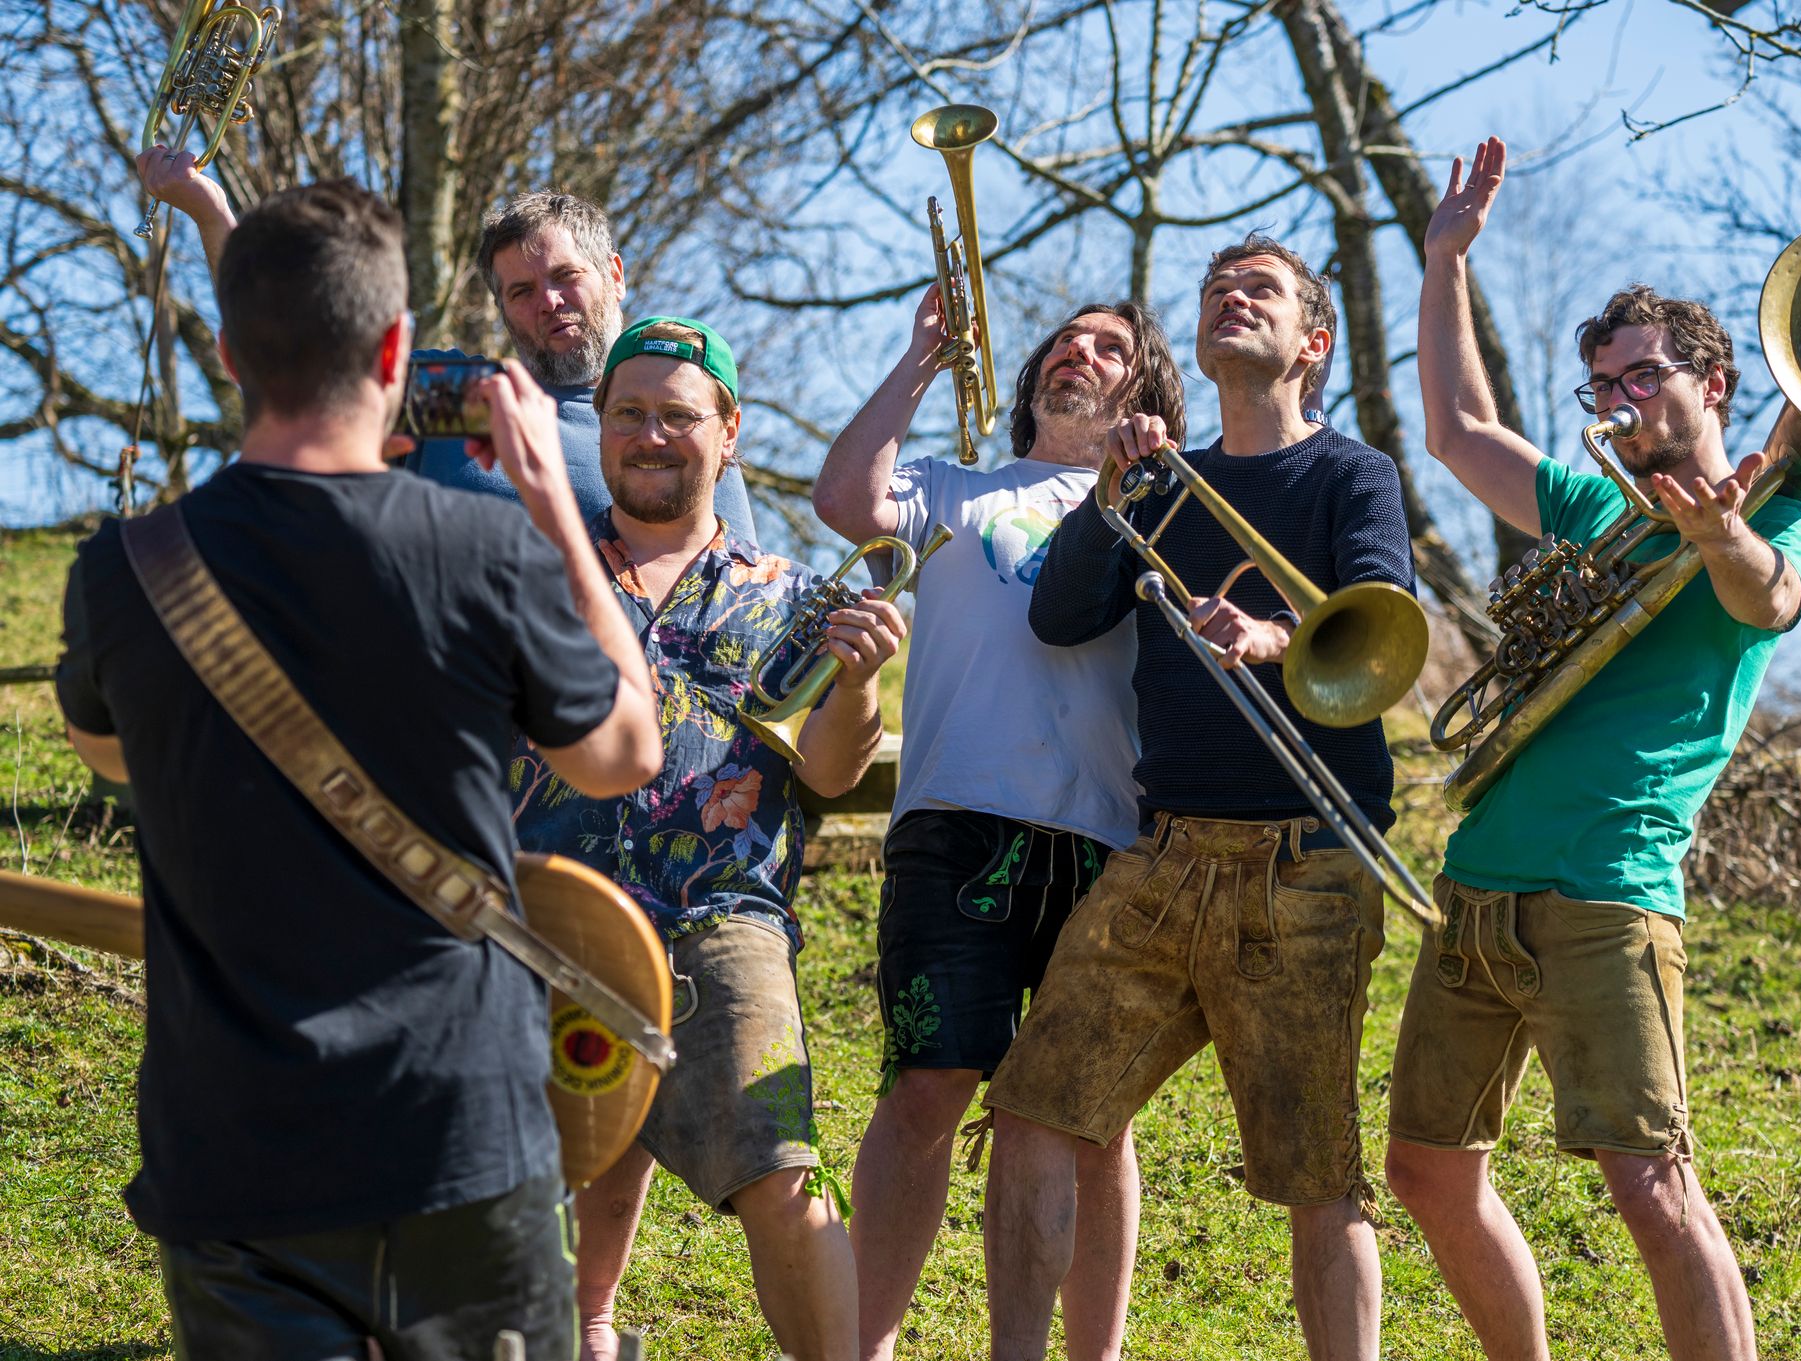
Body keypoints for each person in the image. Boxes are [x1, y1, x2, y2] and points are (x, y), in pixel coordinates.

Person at [55, 180, 663, 1360]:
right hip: (460, 1135)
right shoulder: (486, 548)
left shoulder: (128, 570)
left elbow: (103, 752)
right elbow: (622, 755)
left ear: (230, 351)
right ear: (395, 351)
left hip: (236, 1147)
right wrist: (547, 510)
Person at [1385, 136, 1801, 1361]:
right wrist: (1443, 262)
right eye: (1603, 390)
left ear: (1712, 380)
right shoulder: (1591, 515)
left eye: (1640, 377)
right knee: (1423, 1168)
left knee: (1651, 1187)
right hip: (1476, 883)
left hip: (1606, 894)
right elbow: (1460, 427)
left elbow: (1764, 598)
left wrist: (1722, 533)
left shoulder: (1773, 516)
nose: (1619, 404)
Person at [986, 235, 1416, 1361]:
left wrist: (1277, 634)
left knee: (1314, 1169)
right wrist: (1116, 489)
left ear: (1311, 344)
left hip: (1306, 861)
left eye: (1259, 290)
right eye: (1217, 288)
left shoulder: (1349, 472)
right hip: (1162, 851)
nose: (1230, 297)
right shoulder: (1164, 483)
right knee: (1034, 1104)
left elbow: (1379, 615)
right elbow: (1059, 617)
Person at [507, 316, 906, 1361]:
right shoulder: (525, 576)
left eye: (678, 416)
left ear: (726, 433)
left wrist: (857, 680)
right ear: (597, 430)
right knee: (501, 1182)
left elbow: (828, 770)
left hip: (718, 920)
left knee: (783, 1166)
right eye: (628, 413)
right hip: (536, 918)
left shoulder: (790, 598)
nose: (650, 434)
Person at [813, 288, 1187, 1361]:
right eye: (1065, 343)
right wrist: (919, 361)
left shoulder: (1160, 504)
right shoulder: (951, 485)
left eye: (1110, 347)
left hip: (1110, 838)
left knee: (1091, 1115)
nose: (1078, 352)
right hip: (954, 820)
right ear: (1031, 381)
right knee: (925, 1084)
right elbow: (845, 495)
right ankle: (861, 1344)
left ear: (1143, 389)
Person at [132, 152, 754, 534]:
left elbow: (735, 603)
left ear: (615, 274)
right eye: (520, 291)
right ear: (502, 308)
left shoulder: (679, 421)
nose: (549, 303)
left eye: (566, 277)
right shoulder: (468, 400)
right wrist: (210, 214)